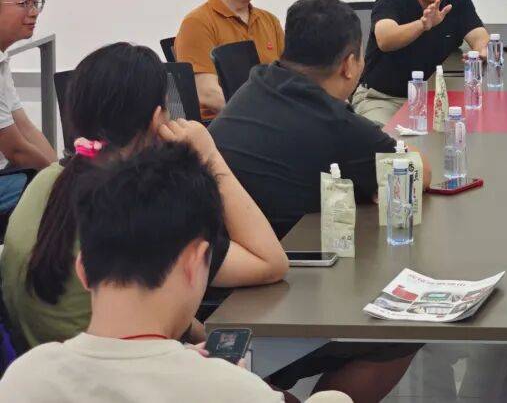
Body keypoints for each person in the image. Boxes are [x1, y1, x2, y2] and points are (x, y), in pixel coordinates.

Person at [0, 143, 349, 403]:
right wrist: (225, 381)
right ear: (195, 262)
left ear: (83, 270)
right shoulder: (234, 392)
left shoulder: (24, 381)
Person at [0, 43, 287, 349]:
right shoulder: (143, 201)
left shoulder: (46, 180)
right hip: (119, 369)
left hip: (49, 363)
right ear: (156, 118)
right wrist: (209, 155)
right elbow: (269, 262)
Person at [211, 0, 424, 402]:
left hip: (210, 280)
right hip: (253, 300)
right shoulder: (333, 122)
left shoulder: (255, 83)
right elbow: (414, 171)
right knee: (400, 332)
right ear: (349, 64)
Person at [212, 0, 432, 236]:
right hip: (284, 251)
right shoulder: (339, 125)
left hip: (213, 243)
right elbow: (420, 172)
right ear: (348, 65)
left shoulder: (257, 81)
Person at [352, 0, 489, 125]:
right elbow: (385, 39)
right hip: (383, 99)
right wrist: (422, 25)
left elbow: (479, 35)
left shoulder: (459, 2)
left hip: (435, 100)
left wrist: (482, 51)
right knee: (385, 141)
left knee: (470, 128)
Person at [175, 0, 285, 120]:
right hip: (221, 125)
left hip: (268, 122)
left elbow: (289, 78)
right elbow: (207, 92)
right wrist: (262, 116)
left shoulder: (270, 22)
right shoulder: (198, 22)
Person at [0, 0, 56, 210]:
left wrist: (59, 170)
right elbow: (16, 149)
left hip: (7, 172)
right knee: (47, 196)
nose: (33, 12)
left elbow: (24, 127)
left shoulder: (2, 59)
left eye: (35, 3)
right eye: (24, 3)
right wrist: (61, 183)